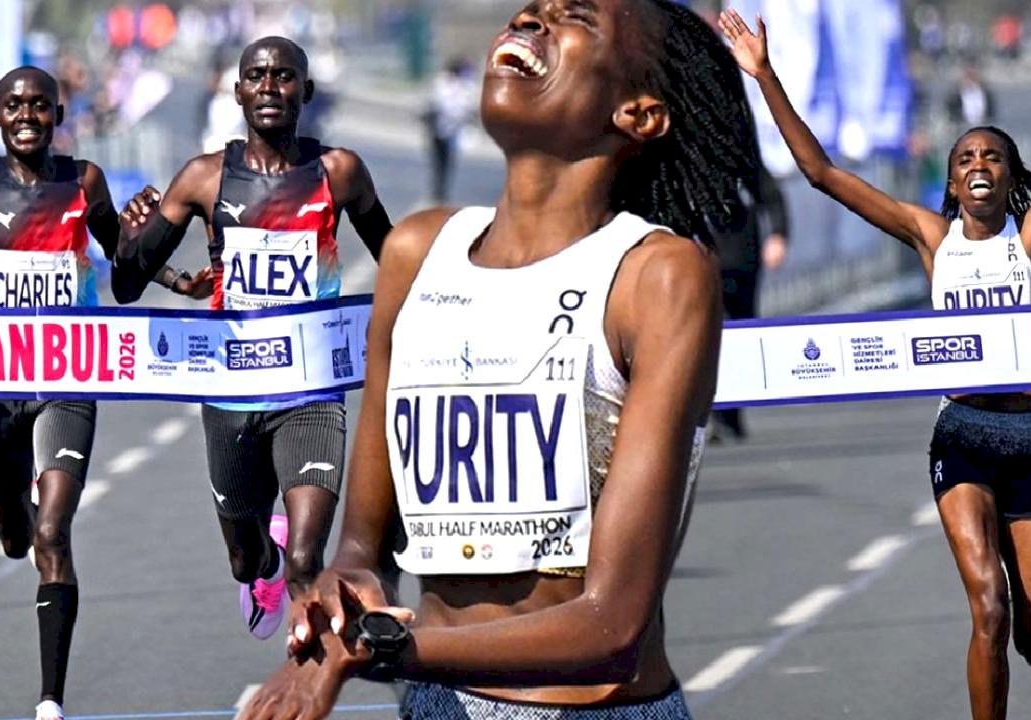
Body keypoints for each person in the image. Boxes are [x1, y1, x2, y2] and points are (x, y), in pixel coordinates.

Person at [239, 1, 763, 718]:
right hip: (433, 702)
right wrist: (342, 597)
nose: (533, 17)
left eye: (574, 16)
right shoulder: (417, 253)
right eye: (533, 7)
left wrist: (384, 648)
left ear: (639, 114)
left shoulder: (657, 277)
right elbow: (364, 545)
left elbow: (612, 623)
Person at [718, 4, 1031, 719]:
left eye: (992, 158)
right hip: (962, 436)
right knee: (988, 607)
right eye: (965, 159)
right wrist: (764, 75)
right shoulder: (929, 236)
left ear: (1010, 181)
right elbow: (819, 172)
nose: (979, 165)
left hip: (1029, 439)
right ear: (949, 186)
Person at [0, 66, 203, 720]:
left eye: (40, 106)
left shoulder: (84, 182)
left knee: (53, 533)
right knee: (18, 538)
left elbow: (123, 265)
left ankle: (51, 699)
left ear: (57, 114)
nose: (27, 115)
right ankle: (9, 509)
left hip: (69, 381)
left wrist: (173, 274)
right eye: (14, 105)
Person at [112, 37, 392, 642]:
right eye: (257, 76)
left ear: (306, 92)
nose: (270, 86)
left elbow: (394, 260)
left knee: (305, 563)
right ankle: (260, 566)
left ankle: (304, 683)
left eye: (284, 76)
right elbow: (127, 287)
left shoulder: (339, 172)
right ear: (237, 92)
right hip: (231, 390)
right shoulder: (203, 177)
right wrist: (129, 243)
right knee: (248, 558)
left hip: (310, 390)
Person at [712, 169, 788, 441]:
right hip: (705, 263)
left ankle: (733, 414)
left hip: (743, 261)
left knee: (741, 336)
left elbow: (773, 198)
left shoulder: (745, 162)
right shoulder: (686, 161)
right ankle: (716, 416)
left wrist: (779, 235)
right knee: (711, 338)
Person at [422, 58, 478, 204]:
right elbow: (438, 103)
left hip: (450, 131)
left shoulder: (462, 86)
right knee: (440, 161)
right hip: (439, 128)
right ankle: (438, 190)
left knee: (445, 162)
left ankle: (440, 191)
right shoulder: (443, 83)